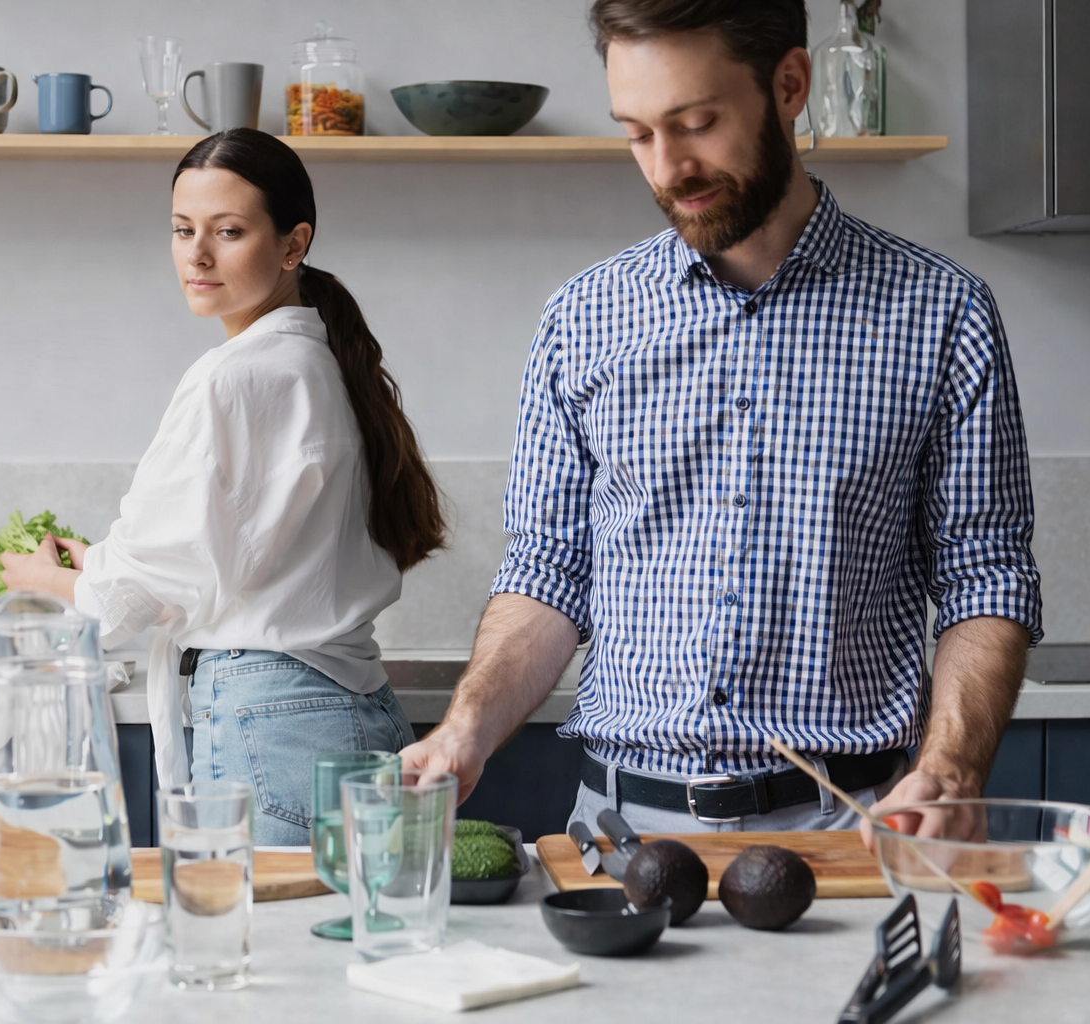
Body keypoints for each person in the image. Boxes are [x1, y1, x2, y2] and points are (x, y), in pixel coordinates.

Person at [401, 0, 1041, 846]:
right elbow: (550, 572)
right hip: (618, 834)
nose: (669, 167)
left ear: (788, 85)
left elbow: (983, 574)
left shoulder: (942, 312)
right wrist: (465, 728)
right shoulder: (583, 319)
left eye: (696, 122)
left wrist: (953, 762)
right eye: (637, 134)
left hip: (848, 831)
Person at [0, 128, 444, 845]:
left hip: (272, 725)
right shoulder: (322, 363)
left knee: (254, 954)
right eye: (182, 230)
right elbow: (232, 552)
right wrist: (104, 561)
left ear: (292, 244)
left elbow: (118, 607)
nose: (197, 255)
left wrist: (39, 580)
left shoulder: (233, 376)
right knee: (349, 953)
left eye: (228, 231)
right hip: (359, 714)